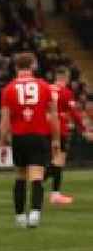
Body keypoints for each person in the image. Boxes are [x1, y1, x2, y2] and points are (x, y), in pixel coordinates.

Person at [0, 52, 60, 228]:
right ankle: (34, 214)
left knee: (19, 176)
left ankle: (19, 217)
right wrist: (56, 140)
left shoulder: (8, 89)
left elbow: (4, 121)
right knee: (37, 177)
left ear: (16, 67)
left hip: (19, 137)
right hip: (39, 135)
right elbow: (53, 116)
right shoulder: (44, 86)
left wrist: (2, 144)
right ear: (33, 66)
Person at [45, 67, 87, 204]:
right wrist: (84, 129)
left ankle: (44, 185)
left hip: (44, 129)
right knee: (59, 161)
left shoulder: (46, 89)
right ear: (66, 78)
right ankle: (50, 191)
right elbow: (74, 113)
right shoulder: (66, 92)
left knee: (55, 160)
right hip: (59, 129)